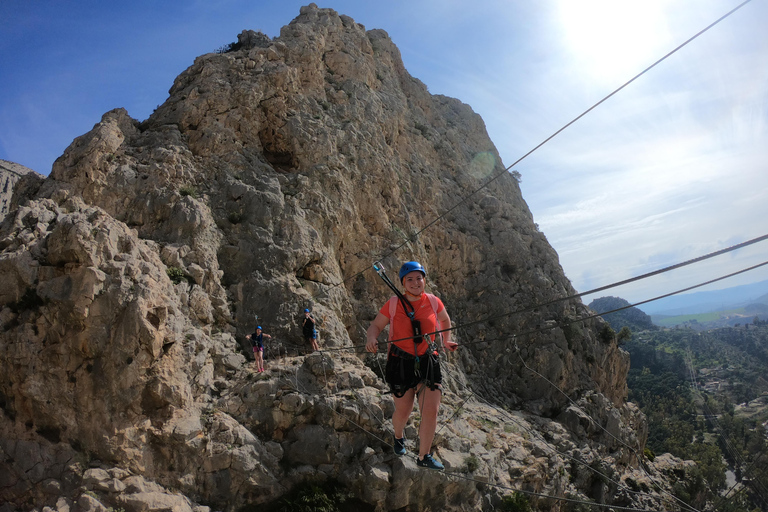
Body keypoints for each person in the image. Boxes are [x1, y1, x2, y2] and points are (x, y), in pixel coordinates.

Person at [366, 261, 458, 470]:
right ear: (403, 283)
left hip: (428, 360)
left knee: (431, 411)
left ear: (424, 280)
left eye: (419, 278)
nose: (415, 282)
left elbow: (445, 320)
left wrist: (446, 340)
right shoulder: (393, 304)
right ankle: (398, 436)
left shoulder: (433, 301)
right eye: (410, 279)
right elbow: (376, 325)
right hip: (400, 362)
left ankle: (424, 455)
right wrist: (371, 338)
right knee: (403, 410)